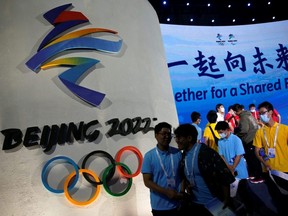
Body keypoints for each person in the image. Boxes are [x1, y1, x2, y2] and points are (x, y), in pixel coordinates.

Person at [174, 124, 235, 215]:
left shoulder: (207, 153)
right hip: (196, 203)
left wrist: (226, 199)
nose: (177, 141)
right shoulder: (183, 156)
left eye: (179, 138)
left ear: (189, 138)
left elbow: (224, 176)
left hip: (215, 202)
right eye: (176, 137)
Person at [253, 101, 288, 215]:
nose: (261, 116)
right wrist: (264, 161)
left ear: (271, 112)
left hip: (285, 170)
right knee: (277, 200)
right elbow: (257, 151)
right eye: (260, 114)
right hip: (269, 172)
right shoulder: (260, 132)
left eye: (263, 113)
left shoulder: (284, 129)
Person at [141, 122, 184, 216]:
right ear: (156, 135)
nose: (167, 136)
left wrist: (180, 194)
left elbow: (182, 175)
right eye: (163, 134)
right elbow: (147, 181)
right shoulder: (149, 156)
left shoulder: (177, 153)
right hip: (159, 206)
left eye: (169, 134)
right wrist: (166, 192)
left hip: (178, 204)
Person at [232, 103, 264, 184]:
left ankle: (259, 176)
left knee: (254, 159)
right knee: (251, 158)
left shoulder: (243, 117)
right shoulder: (248, 114)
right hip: (254, 138)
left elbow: (244, 130)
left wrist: (236, 135)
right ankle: (253, 174)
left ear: (236, 111)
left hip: (250, 139)